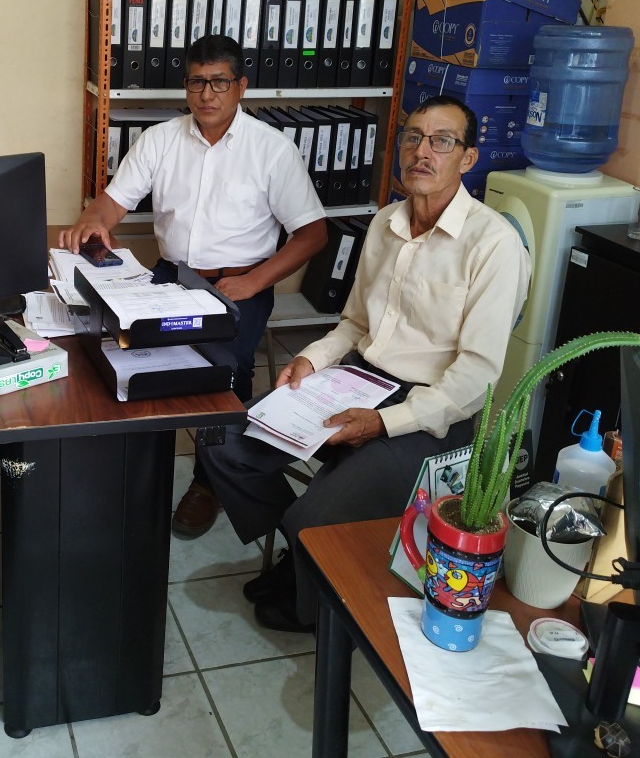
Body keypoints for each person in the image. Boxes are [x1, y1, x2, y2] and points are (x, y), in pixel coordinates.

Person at [198, 95, 531, 632]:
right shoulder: (383, 223)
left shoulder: (493, 244)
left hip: (430, 414)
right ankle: (303, 558)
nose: (422, 152)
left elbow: (476, 376)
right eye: (412, 137)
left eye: (442, 141)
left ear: (468, 158)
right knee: (221, 441)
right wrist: (310, 360)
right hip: (357, 378)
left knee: (314, 515)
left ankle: (311, 588)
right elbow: (355, 323)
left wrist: (382, 422)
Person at [59, 34, 327, 538]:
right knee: (123, 352)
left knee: (226, 369)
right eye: (197, 82)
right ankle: (140, 461)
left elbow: (313, 234)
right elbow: (113, 203)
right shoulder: (159, 139)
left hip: (240, 281)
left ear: (241, 86)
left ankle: (209, 482)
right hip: (171, 275)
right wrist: (92, 219)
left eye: (219, 82)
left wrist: (253, 281)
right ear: (186, 86)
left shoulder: (272, 149)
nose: (207, 94)